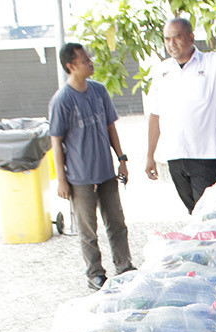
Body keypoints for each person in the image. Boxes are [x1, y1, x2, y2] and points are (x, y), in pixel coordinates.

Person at [144, 8, 216, 213]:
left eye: (177, 38)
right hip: (175, 156)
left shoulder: (211, 62)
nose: (171, 44)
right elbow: (155, 115)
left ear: (191, 37)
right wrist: (150, 155)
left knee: (209, 214)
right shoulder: (162, 70)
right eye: (167, 39)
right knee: (194, 214)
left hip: (205, 155)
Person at [50, 41, 134, 291]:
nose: (90, 62)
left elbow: (111, 127)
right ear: (71, 66)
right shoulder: (61, 101)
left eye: (89, 58)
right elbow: (56, 142)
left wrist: (122, 159)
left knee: (117, 221)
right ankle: (95, 274)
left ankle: (125, 265)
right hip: (80, 177)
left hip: (106, 171)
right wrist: (62, 180)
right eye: (85, 59)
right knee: (88, 229)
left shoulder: (99, 91)